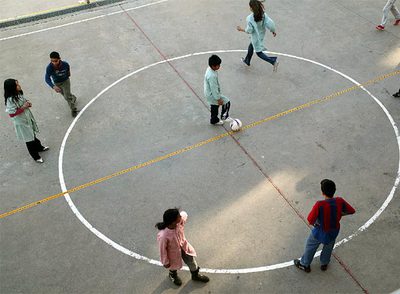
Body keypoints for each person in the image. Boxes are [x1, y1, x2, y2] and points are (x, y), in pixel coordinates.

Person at [294, 179, 355, 273]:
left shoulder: (320, 205)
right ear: (334, 190)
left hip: (320, 231)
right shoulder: (339, 201)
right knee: (328, 247)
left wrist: (316, 223)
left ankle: (304, 264)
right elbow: (351, 211)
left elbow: (310, 220)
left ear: (322, 192)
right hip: (334, 230)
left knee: (310, 246)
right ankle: (324, 263)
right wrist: (341, 214)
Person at [156, 208, 210, 286]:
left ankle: (195, 275)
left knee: (191, 261)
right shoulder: (163, 236)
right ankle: (172, 275)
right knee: (173, 265)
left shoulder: (179, 222)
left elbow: (184, 215)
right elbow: (162, 250)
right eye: (179, 216)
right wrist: (165, 261)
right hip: (173, 253)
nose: (180, 217)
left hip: (184, 247)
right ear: (173, 222)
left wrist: (184, 213)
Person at [4, 79, 49, 163]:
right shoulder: (10, 100)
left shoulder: (19, 93)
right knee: (29, 140)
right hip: (22, 122)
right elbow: (11, 114)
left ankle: (39, 147)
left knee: (32, 135)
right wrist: (23, 107)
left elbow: (23, 101)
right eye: (17, 85)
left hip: (27, 117)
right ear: (12, 87)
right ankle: (36, 157)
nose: (19, 86)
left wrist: (28, 104)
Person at [237, 0, 279, 72]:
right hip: (261, 35)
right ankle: (247, 61)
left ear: (251, 8)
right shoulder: (263, 15)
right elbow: (270, 23)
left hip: (255, 37)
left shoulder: (250, 18)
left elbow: (249, 30)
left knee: (259, 53)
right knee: (251, 46)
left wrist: (241, 29)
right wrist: (273, 31)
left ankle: (273, 62)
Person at [45, 51, 79, 117]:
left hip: (65, 81)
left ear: (59, 59)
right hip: (57, 83)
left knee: (66, 97)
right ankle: (73, 97)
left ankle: (73, 109)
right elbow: (47, 78)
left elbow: (68, 72)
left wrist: (67, 75)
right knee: (66, 95)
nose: (54, 63)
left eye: (55, 61)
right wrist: (53, 86)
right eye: (52, 61)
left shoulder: (65, 64)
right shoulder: (49, 68)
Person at [204, 55, 232, 125]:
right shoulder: (212, 76)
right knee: (226, 102)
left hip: (208, 93)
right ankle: (224, 116)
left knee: (214, 106)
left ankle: (214, 120)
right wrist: (218, 99)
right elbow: (214, 88)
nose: (219, 66)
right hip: (213, 94)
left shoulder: (209, 69)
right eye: (218, 65)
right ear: (213, 66)